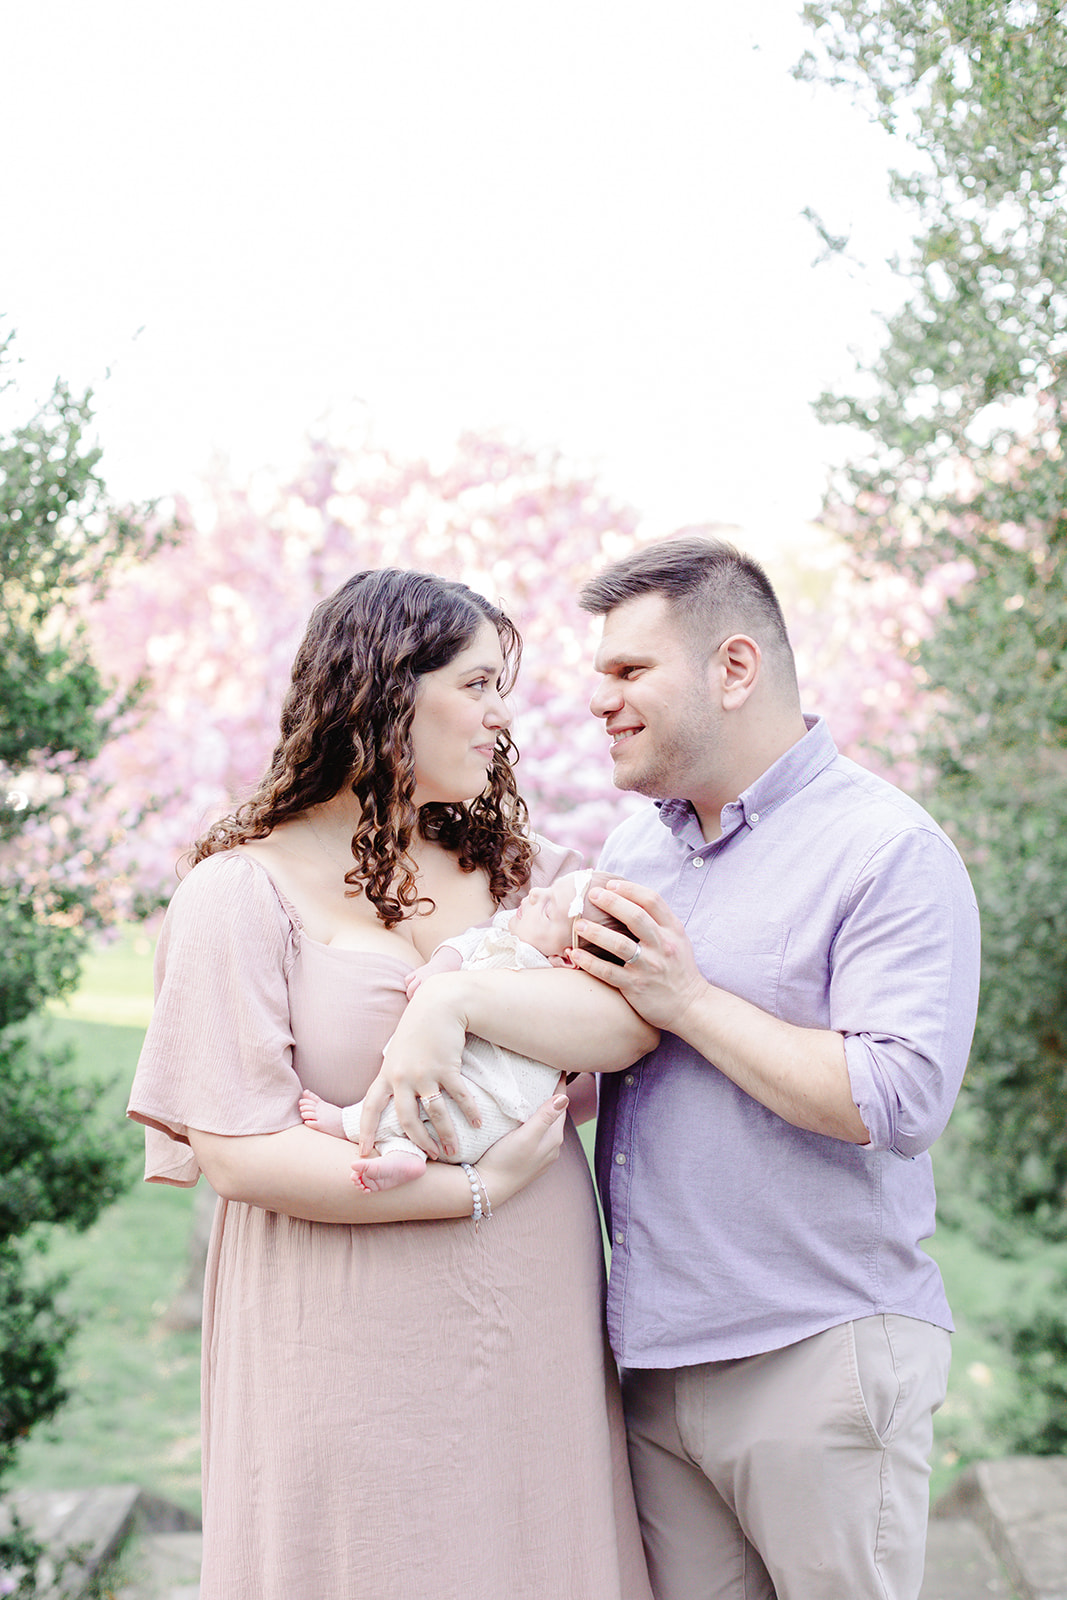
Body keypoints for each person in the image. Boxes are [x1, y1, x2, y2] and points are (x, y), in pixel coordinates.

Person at [360, 537, 981, 1600]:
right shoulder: (634, 850)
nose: (595, 699)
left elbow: (895, 1098)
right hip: (651, 1363)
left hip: (812, 1353)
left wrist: (685, 999)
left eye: (627, 671)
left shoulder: (884, 850)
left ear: (732, 669)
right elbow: (605, 1069)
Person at [126, 569, 655, 1600]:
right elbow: (238, 1152)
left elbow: (627, 1023)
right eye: (479, 683)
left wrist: (446, 1003)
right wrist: (472, 1190)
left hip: (533, 1322)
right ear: (382, 692)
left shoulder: (513, 869)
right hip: (345, 1338)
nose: (505, 716)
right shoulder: (240, 892)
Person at [299, 867, 627, 1189]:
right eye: (548, 889)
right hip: (469, 1074)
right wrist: (440, 968)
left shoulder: (557, 979)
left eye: (549, 908)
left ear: (568, 959)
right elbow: (465, 943)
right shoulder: (504, 933)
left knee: (447, 1110)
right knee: (422, 1093)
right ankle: (404, 1154)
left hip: (500, 1097)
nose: (536, 893)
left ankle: (348, 1124)